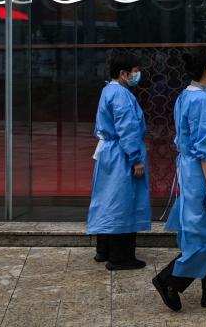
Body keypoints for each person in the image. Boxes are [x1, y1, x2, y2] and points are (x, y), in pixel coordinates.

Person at [154, 48, 206, 312]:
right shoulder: (201, 101)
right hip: (204, 172)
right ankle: (170, 279)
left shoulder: (187, 95)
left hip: (194, 169)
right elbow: (205, 148)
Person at [86, 49, 151, 270]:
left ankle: (103, 250)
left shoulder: (108, 90)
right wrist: (136, 159)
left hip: (109, 152)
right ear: (123, 73)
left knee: (107, 199)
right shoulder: (122, 95)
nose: (137, 75)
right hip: (121, 155)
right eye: (135, 71)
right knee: (123, 203)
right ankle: (121, 257)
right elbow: (128, 129)